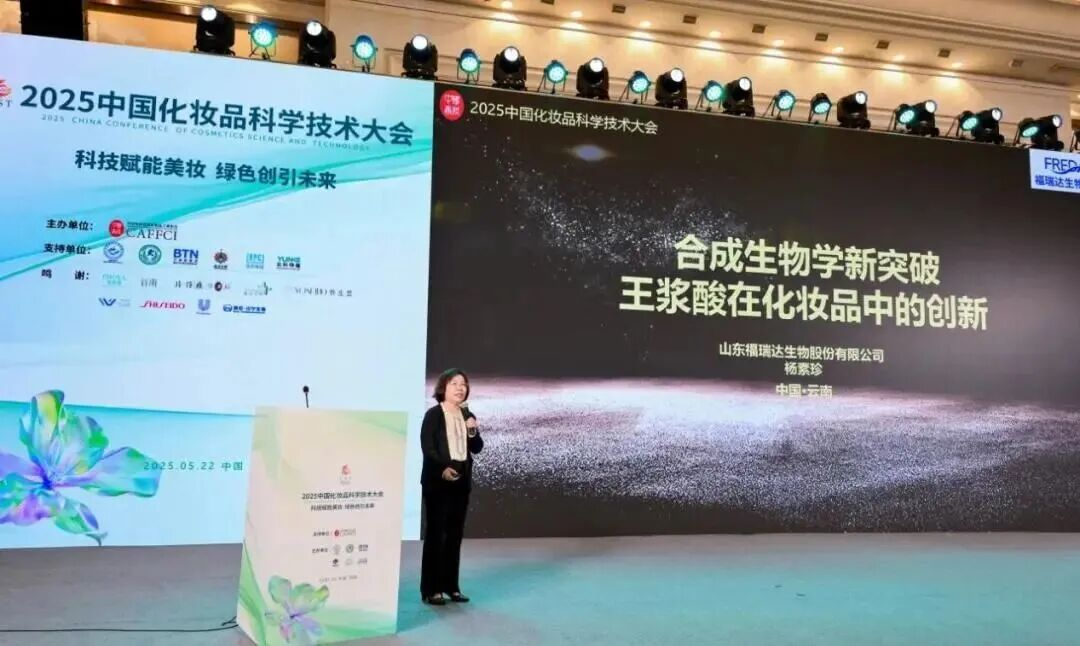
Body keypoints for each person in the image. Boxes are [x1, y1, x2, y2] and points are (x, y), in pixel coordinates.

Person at [420, 368, 484, 605]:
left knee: (455, 535)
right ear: (443, 388)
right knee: (436, 534)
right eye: (454, 383)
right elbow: (428, 447)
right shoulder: (434, 414)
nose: (460, 388)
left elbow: (477, 447)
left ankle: (451, 586)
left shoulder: (467, 415)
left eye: (463, 384)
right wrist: (442, 469)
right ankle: (431, 589)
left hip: (461, 481)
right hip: (438, 481)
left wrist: (472, 429)